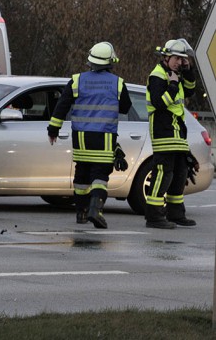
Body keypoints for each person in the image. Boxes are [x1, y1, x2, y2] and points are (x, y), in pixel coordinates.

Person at [47, 42, 132, 229]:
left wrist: (53, 130)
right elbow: (126, 107)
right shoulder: (117, 83)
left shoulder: (77, 80)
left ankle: (81, 213)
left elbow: (61, 106)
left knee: (82, 176)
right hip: (104, 139)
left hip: (81, 139)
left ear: (90, 62)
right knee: (100, 176)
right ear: (110, 63)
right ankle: (96, 210)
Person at [144, 38, 198, 229]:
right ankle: (154, 217)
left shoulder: (177, 74)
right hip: (163, 131)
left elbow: (190, 91)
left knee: (180, 174)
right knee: (163, 174)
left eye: (182, 58)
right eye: (176, 58)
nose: (178, 62)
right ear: (166, 58)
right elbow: (159, 103)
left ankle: (176, 214)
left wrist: (188, 68)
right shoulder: (158, 75)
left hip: (178, 133)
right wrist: (173, 86)